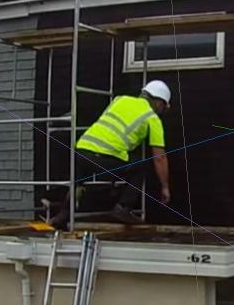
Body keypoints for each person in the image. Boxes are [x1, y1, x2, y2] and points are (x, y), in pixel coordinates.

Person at [49, 80, 172, 228]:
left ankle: (62, 213)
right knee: (141, 166)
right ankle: (123, 207)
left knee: (77, 181)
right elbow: (159, 158)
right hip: (105, 157)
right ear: (159, 103)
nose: (162, 111)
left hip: (80, 151)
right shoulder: (152, 118)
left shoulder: (119, 99)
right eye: (163, 107)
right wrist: (165, 187)